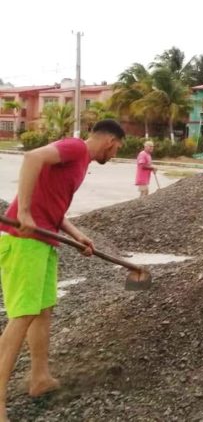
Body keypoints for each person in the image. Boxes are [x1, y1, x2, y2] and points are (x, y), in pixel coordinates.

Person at [0, 120, 125, 421]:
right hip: (25, 242)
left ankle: (39, 378)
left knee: (42, 310)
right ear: (110, 141)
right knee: (23, 315)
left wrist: (75, 234)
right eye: (118, 147)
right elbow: (32, 158)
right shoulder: (75, 147)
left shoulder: (81, 161)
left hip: (43, 242)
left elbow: (53, 204)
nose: (116, 153)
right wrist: (26, 212)